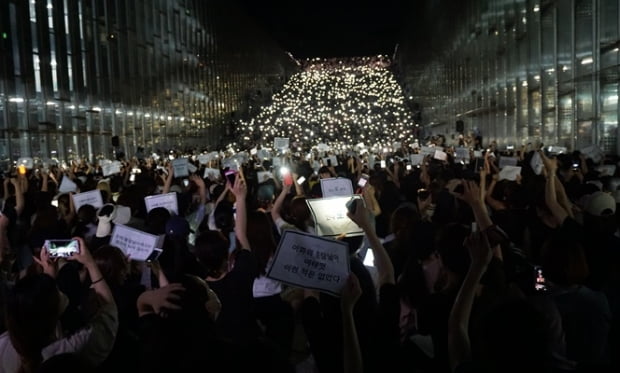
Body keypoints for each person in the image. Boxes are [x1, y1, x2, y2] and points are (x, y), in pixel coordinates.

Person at [0, 237, 118, 372]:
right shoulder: (70, 349)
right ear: (52, 313)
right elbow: (109, 313)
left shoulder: (4, 345)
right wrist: (90, 263)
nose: (60, 292)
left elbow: (35, 306)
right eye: (56, 292)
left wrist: (48, 277)